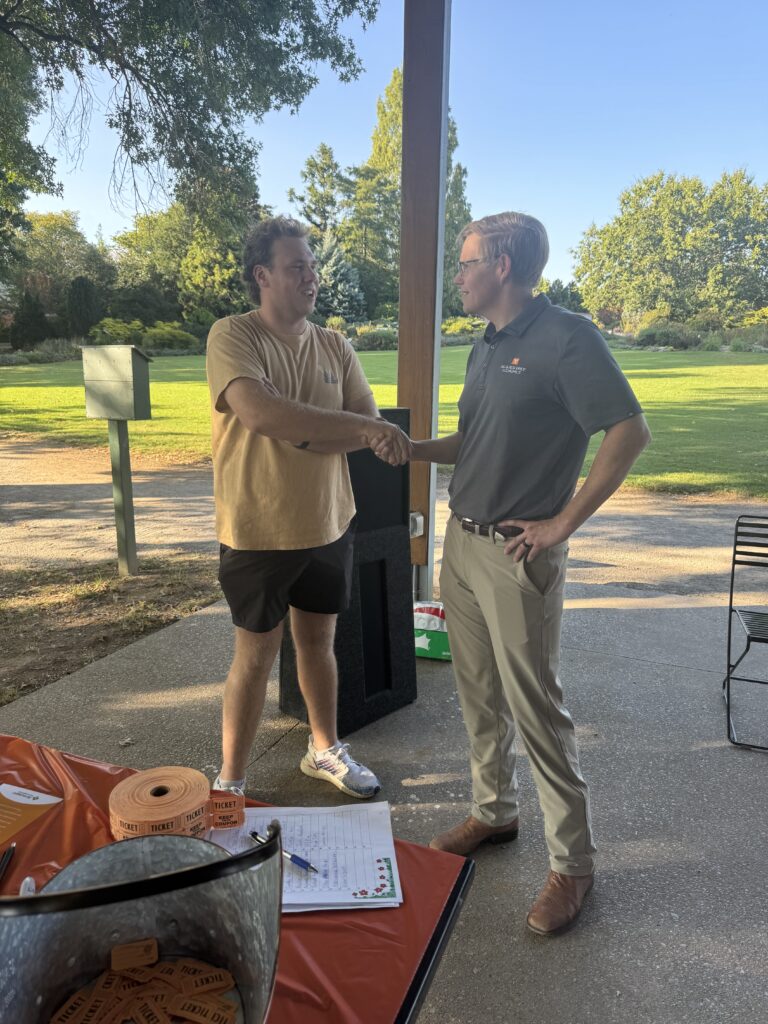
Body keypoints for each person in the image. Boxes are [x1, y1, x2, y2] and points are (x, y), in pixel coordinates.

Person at [374, 211, 651, 935]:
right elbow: (476, 440)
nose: (458, 275)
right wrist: (412, 448)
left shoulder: (566, 338)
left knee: (537, 707)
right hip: (462, 546)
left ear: (501, 267)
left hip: (516, 554)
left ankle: (574, 865)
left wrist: (563, 523)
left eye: (465, 263)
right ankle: (494, 813)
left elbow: (629, 429)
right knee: (477, 694)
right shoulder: (487, 346)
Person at [205, 216, 409, 800]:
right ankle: (231, 783)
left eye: (312, 266)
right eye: (298, 267)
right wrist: (323, 429)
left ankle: (324, 749)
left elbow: (369, 425)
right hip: (258, 529)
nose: (311, 277)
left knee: (320, 644)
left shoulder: (334, 345)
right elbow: (263, 414)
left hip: (328, 522)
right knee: (255, 655)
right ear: (263, 275)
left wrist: (311, 431)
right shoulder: (233, 335)